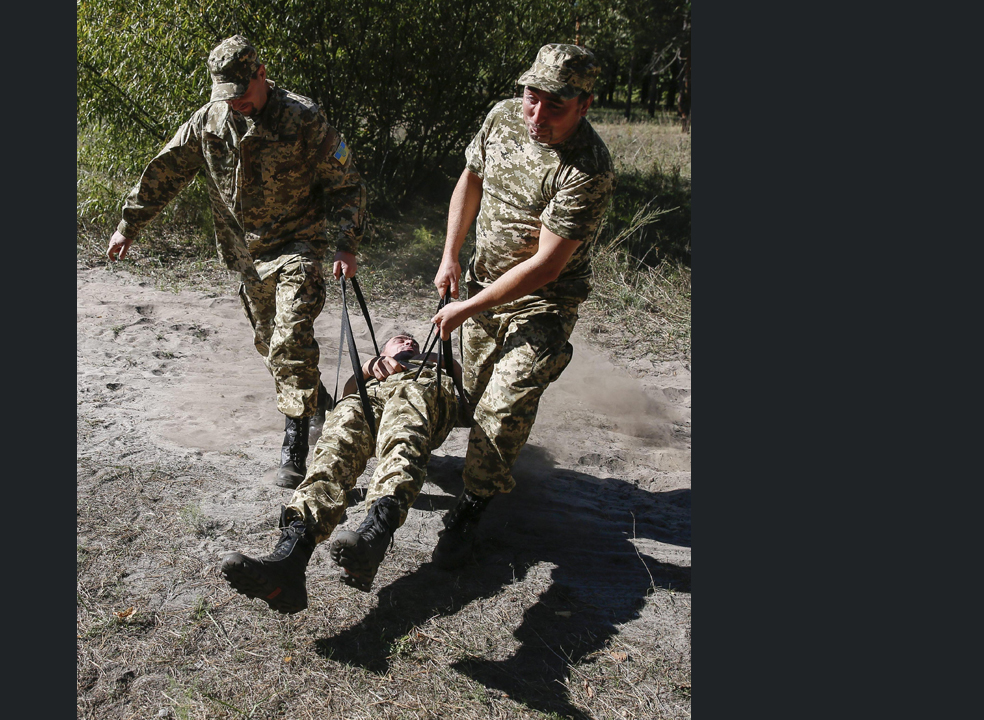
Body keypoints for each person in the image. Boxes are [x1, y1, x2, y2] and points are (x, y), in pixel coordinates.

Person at [106, 35, 367, 488]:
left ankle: (295, 445)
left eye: (243, 95)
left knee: (289, 339)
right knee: (271, 345)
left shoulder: (302, 118)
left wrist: (347, 243)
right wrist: (129, 225)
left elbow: (346, 183)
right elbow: (165, 170)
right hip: (245, 256)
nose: (236, 105)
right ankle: (318, 402)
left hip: (297, 247)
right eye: (227, 96)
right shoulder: (208, 122)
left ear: (261, 75)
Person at [429, 43, 616, 569]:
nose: (537, 116)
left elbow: (546, 268)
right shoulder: (502, 118)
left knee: (501, 404)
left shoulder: (590, 168)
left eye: (555, 106)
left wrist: (465, 308)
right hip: (482, 286)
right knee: (466, 397)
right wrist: (449, 256)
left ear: (585, 104)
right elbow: (471, 180)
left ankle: (470, 510)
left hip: (543, 305)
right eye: (532, 98)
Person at [220, 333, 462, 613]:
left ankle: (376, 533)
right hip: (370, 399)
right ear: (383, 349)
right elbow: (348, 392)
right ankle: (291, 555)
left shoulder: (434, 360)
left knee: (403, 436)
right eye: (400, 340)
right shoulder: (375, 366)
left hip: (420, 393)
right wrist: (366, 369)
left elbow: (461, 384)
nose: (409, 344)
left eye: (413, 342)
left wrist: (437, 360)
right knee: (336, 443)